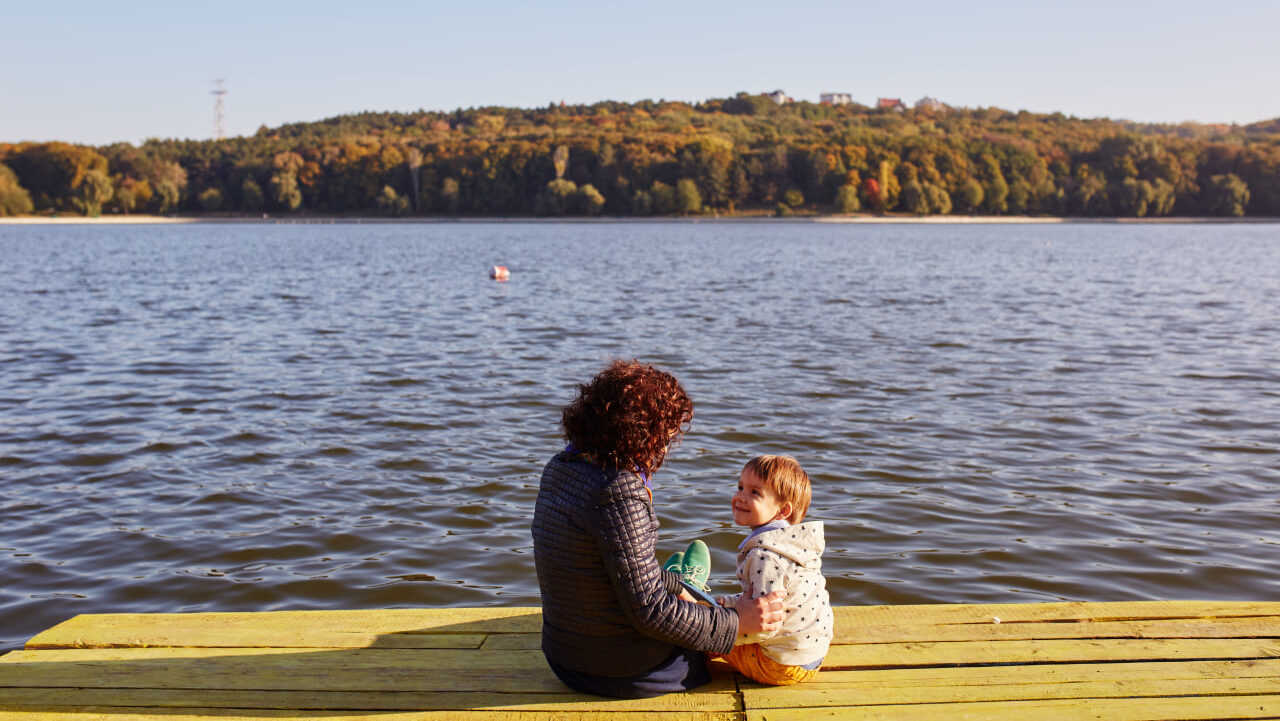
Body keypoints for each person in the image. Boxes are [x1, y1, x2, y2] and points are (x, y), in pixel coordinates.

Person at [531, 360, 786, 698]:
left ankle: (685, 582)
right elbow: (651, 613)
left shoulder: (561, 466)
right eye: (667, 435)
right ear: (642, 432)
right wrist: (737, 620)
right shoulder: (618, 490)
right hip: (622, 670)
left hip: (564, 660)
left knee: (676, 598)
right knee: (702, 652)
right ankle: (693, 586)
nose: (667, 447)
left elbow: (611, 567)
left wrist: (672, 585)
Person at [713, 454, 833, 685]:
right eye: (740, 487)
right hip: (810, 655)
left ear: (782, 511)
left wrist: (721, 626)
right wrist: (728, 604)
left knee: (699, 637)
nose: (740, 497)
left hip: (779, 665)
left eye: (754, 493)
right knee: (716, 615)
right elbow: (768, 601)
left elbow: (764, 625)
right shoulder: (793, 545)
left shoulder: (765, 557)